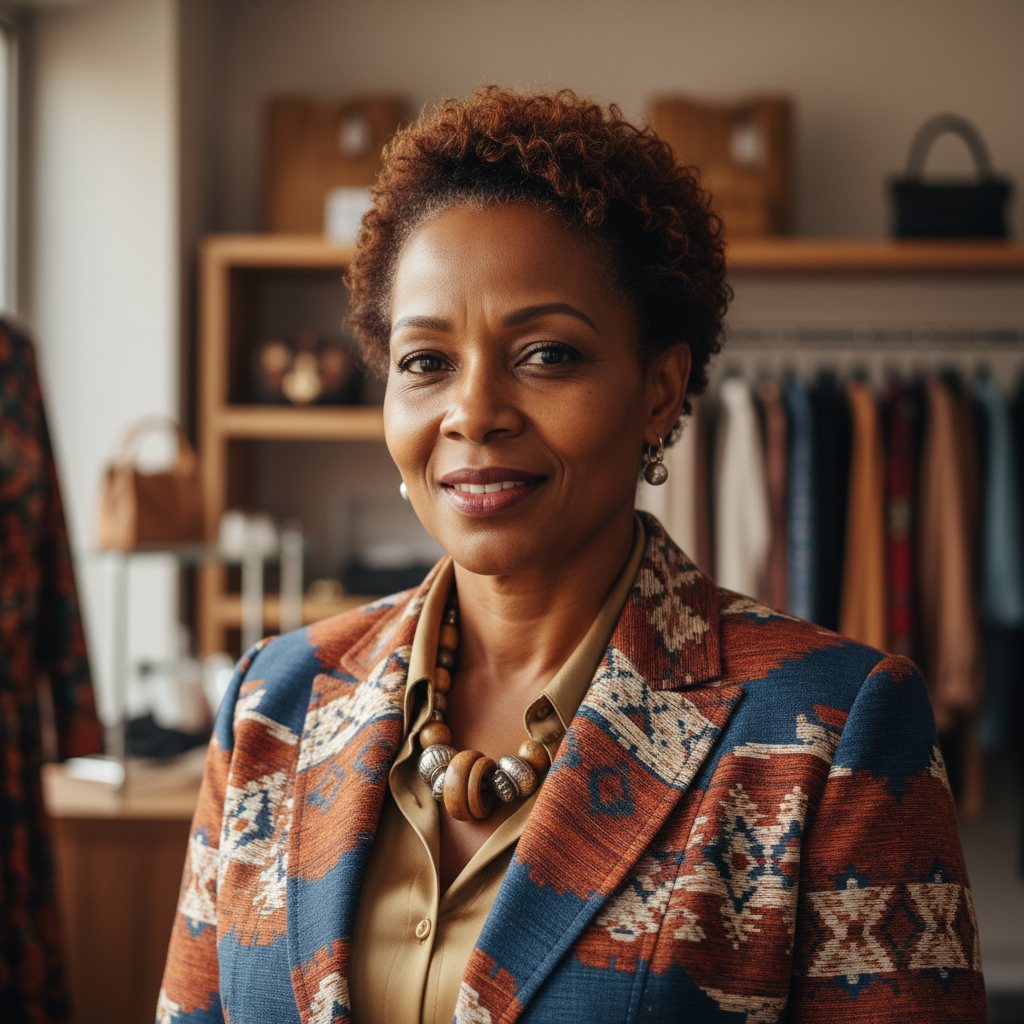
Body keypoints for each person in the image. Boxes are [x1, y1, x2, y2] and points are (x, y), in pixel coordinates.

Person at [158, 88, 985, 1023]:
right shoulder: (276, 703)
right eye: (425, 361)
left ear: (660, 392)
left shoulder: (830, 734)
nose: (473, 411)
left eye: (547, 354)